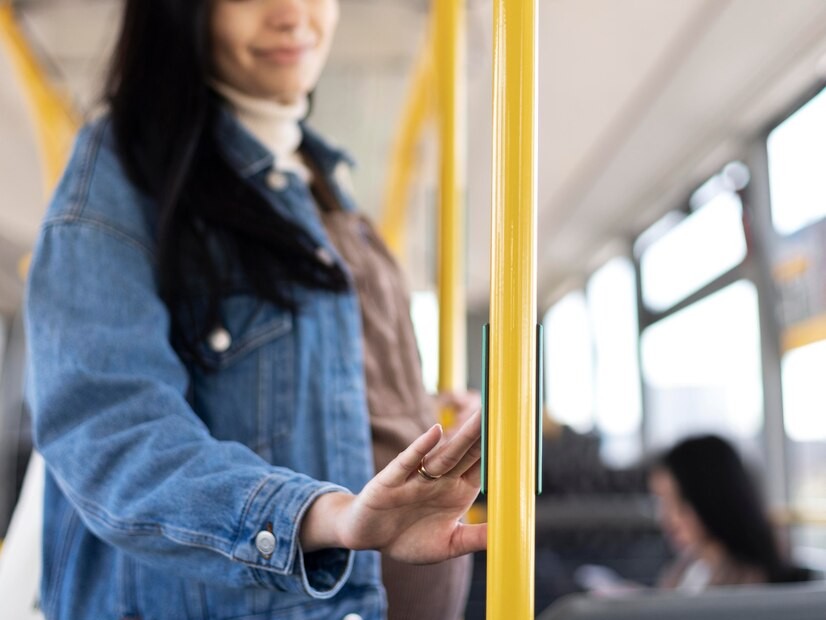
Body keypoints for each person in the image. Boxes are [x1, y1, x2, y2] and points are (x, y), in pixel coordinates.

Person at [23, 1, 485, 618]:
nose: (292, 14)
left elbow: (318, 390)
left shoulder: (323, 183)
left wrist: (422, 414)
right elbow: (109, 428)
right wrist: (324, 516)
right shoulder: (125, 168)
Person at [650, 435, 807, 592]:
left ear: (710, 499)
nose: (666, 519)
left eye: (679, 502)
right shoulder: (689, 566)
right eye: (663, 503)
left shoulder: (747, 583)